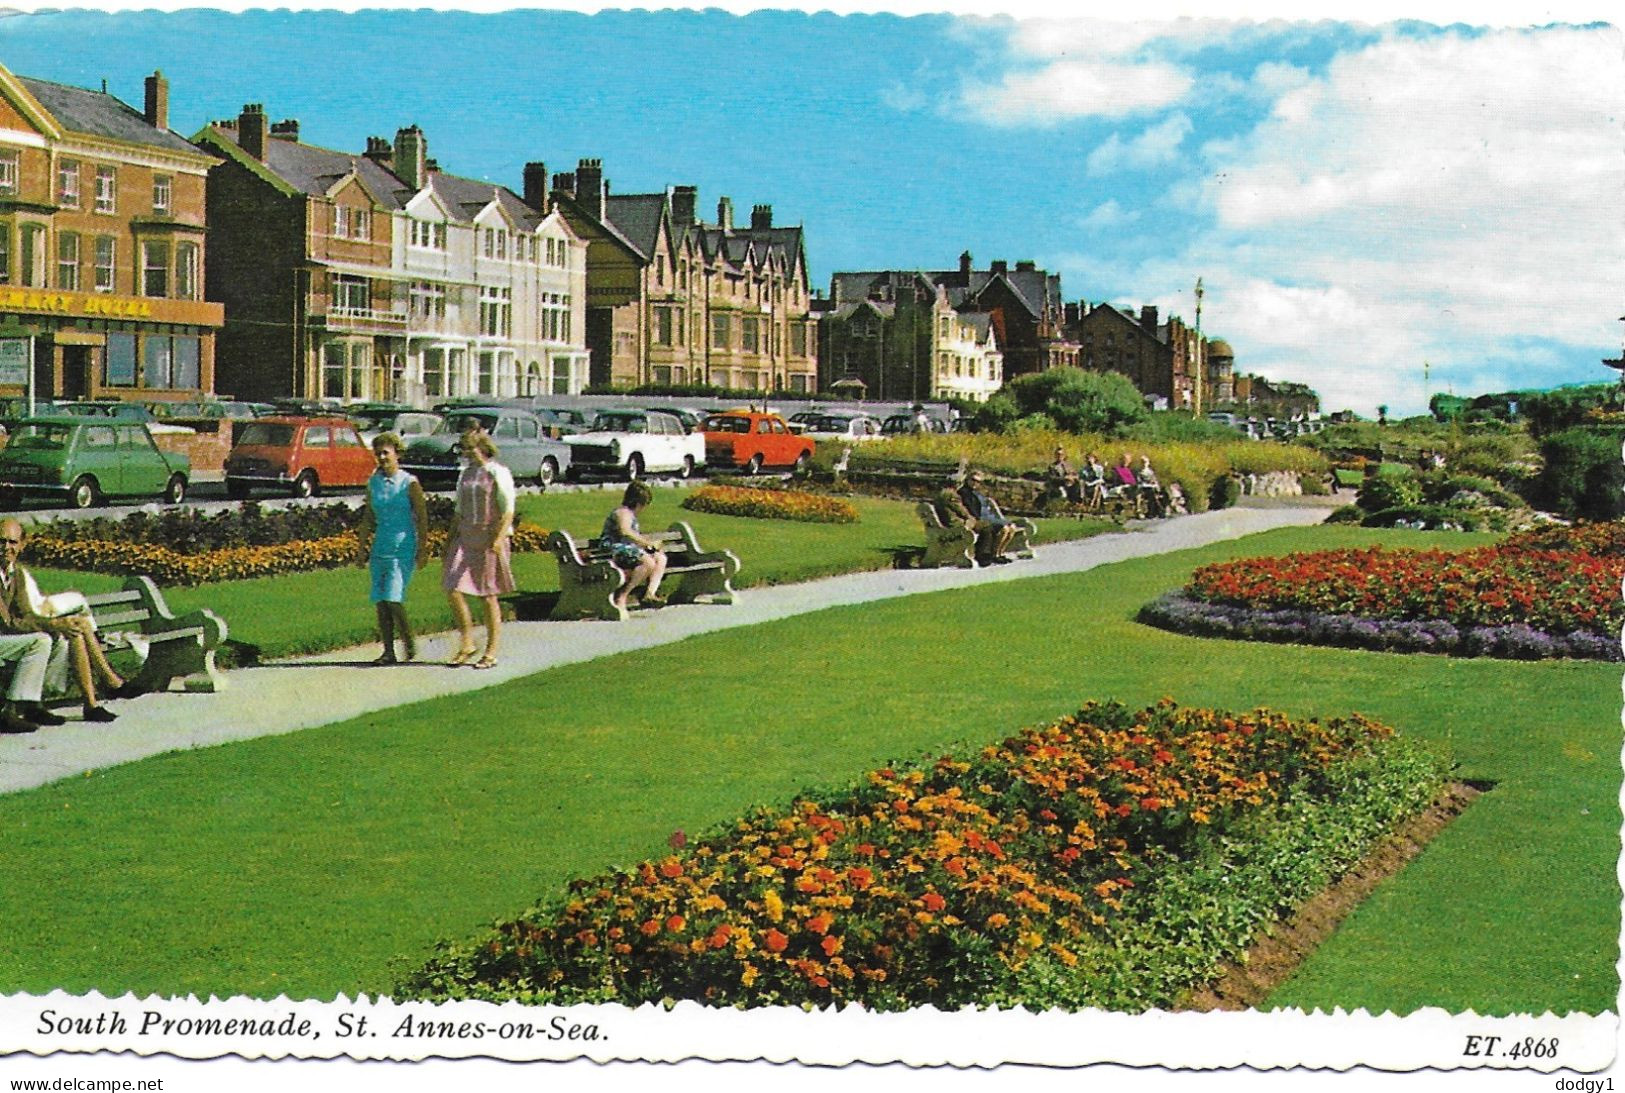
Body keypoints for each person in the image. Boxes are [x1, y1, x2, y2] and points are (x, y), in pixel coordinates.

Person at [0, 518, 132, 724]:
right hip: (3, 636)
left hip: (8, 638)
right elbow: (6, 623)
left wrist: (60, 625)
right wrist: (52, 625)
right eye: (1, 542)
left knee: (71, 631)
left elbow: (25, 614)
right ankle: (18, 709)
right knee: (42, 640)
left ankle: (91, 704)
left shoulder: (15, 573)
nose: (6, 547)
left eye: (12, 542)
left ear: (22, 545)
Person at [442, 431, 515, 670]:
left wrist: (498, 538)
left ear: (481, 448)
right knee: (452, 586)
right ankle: (467, 642)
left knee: (487, 594)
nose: (466, 453)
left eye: (469, 448)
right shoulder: (466, 474)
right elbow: (459, 510)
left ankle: (491, 651)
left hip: (489, 537)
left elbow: (507, 510)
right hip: (466, 535)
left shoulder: (497, 472)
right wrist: (448, 539)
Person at [360, 432, 429, 665]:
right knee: (381, 600)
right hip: (381, 545)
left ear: (397, 454)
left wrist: (423, 548)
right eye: (377, 453)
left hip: (403, 546)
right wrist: (361, 547)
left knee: (393, 597)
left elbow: (421, 517)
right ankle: (388, 651)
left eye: (385, 453)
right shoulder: (373, 483)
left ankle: (407, 637)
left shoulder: (409, 483)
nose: (381, 457)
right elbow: (368, 516)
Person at [601, 481, 669, 611]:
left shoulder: (631, 515)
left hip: (628, 549)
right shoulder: (622, 513)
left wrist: (650, 546)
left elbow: (633, 538)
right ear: (638, 503)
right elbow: (625, 531)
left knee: (660, 558)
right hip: (614, 548)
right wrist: (648, 543)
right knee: (648, 562)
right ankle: (622, 596)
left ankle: (649, 594)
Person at [956, 470, 1018, 564]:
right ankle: (994, 555)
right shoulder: (964, 493)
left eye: (978, 481)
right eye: (973, 480)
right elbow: (970, 510)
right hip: (979, 520)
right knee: (1004, 528)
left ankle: (999, 553)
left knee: (1012, 527)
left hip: (988, 518)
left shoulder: (977, 493)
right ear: (967, 480)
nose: (975, 483)